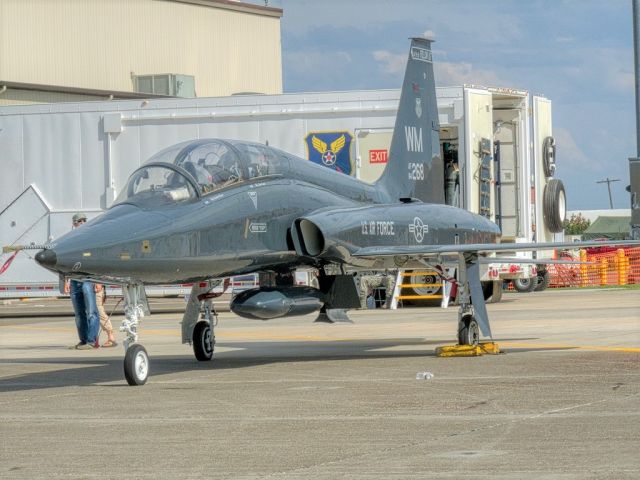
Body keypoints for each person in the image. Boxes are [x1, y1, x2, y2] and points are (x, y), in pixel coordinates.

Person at [67, 213, 100, 350]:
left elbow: (97, 259)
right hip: (74, 278)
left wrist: (98, 280)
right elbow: (67, 260)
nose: (82, 222)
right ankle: (83, 339)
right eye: (79, 221)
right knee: (79, 312)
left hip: (87, 278)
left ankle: (92, 340)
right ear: (74, 224)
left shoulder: (91, 238)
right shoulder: (70, 239)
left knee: (91, 310)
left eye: (84, 220)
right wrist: (66, 279)